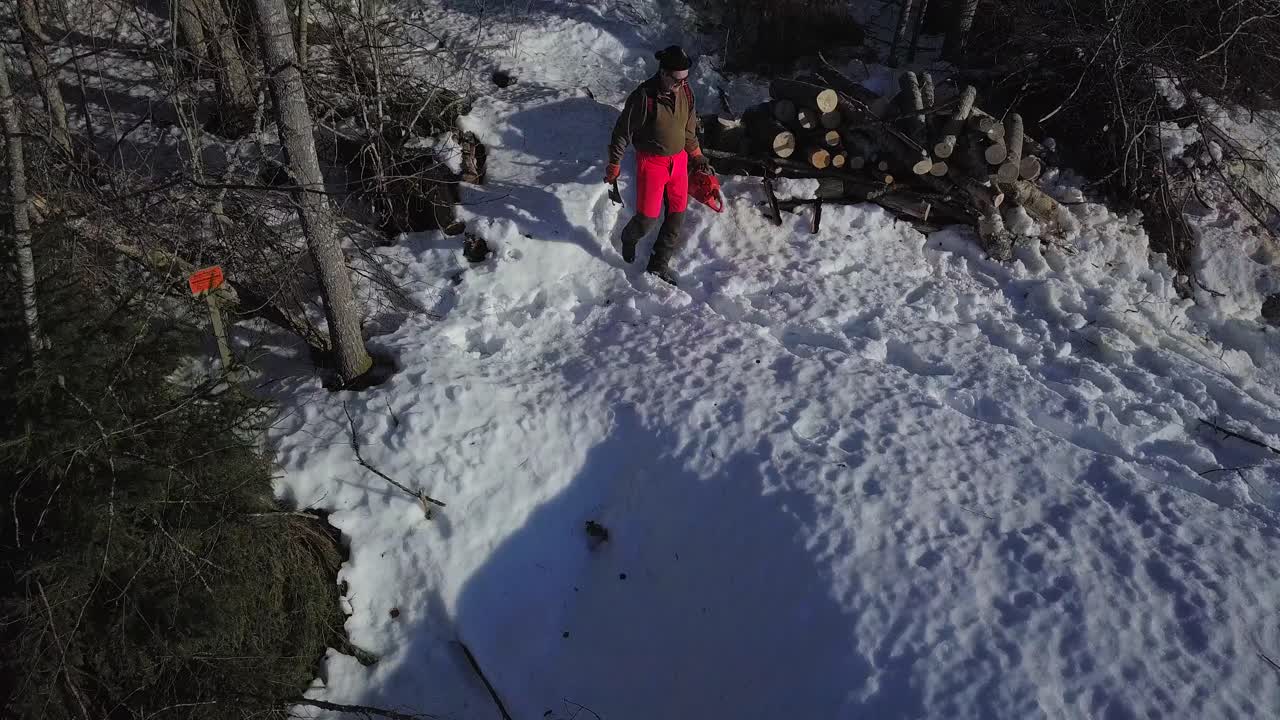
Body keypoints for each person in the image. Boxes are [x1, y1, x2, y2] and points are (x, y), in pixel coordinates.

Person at [605, 45, 709, 285]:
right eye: (676, 80)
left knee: (677, 215)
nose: (681, 84)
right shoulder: (644, 97)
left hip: (679, 160)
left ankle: (658, 265)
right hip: (652, 162)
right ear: (663, 73)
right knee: (648, 217)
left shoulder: (687, 93)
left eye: (685, 80)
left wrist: (697, 155)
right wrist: (614, 163)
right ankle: (629, 237)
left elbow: (688, 130)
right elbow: (622, 132)